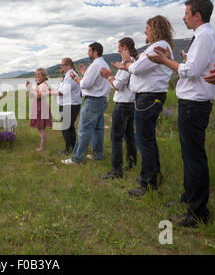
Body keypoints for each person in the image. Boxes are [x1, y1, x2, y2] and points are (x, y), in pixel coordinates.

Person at [147, 0, 215, 227]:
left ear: (197, 15)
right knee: (189, 155)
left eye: (186, 13)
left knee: (194, 157)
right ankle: (189, 197)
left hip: (194, 105)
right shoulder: (204, 36)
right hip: (192, 103)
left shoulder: (205, 36)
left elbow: (190, 71)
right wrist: (181, 60)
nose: (183, 17)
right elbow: (196, 67)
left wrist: (164, 60)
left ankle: (198, 212)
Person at [113, 15, 174, 196]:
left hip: (148, 98)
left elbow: (137, 69)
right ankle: (154, 174)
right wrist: (130, 64)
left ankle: (148, 183)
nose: (145, 31)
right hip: (149, 97)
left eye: (147, 27)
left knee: (144, 141)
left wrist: (128, 64)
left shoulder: (157, 47)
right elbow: (138, 66)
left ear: (155, 28)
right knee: (148, 139)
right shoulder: (159, 46)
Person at [61, 42, 110, 165]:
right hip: (102, 99)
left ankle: (77, 158)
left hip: (93, 100)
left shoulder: (95, 65)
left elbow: (84, 84)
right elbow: (94, 82)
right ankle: (97, 154)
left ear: (95, 52)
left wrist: (75, 78)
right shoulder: (103, 64)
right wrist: (84, 74)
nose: (87, 54)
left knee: (84, 129)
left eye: (89, 51)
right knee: (97, 129)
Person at [99, 37, 138, 179]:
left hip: (122, 104)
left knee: (116, 138)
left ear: (125, 48)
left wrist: (109, 77)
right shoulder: (134, 62)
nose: (118, 50)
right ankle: (131, 163)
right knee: (129, 136)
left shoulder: (127, 63)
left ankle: (116, 171)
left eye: (120, 47)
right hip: (131, 103)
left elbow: (118, 85)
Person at [51, 58, 82, 155]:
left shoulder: (70, 76)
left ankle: (68, 149)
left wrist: (48, 93)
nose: (60, 66)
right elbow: (59, 89)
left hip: (70, 105)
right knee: (69, 127)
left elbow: (62, 92)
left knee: (66, 127)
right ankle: (72, 148)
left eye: (62, 64)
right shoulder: (66, 76)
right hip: (66, 104)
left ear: (68, 65)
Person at [26, 68, 52, 151]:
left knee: (41, 127)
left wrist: (31, 89)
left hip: (41, 106)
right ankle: (41, 145)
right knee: (39, 127)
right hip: (37, 105)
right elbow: (30, 96)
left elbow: (38, 96)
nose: (37, 76)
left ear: (43, 75)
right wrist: (29, 88)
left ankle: (42, 147)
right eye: (36, 74)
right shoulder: (37, 84)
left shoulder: (44, 85)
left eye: (39, 74)